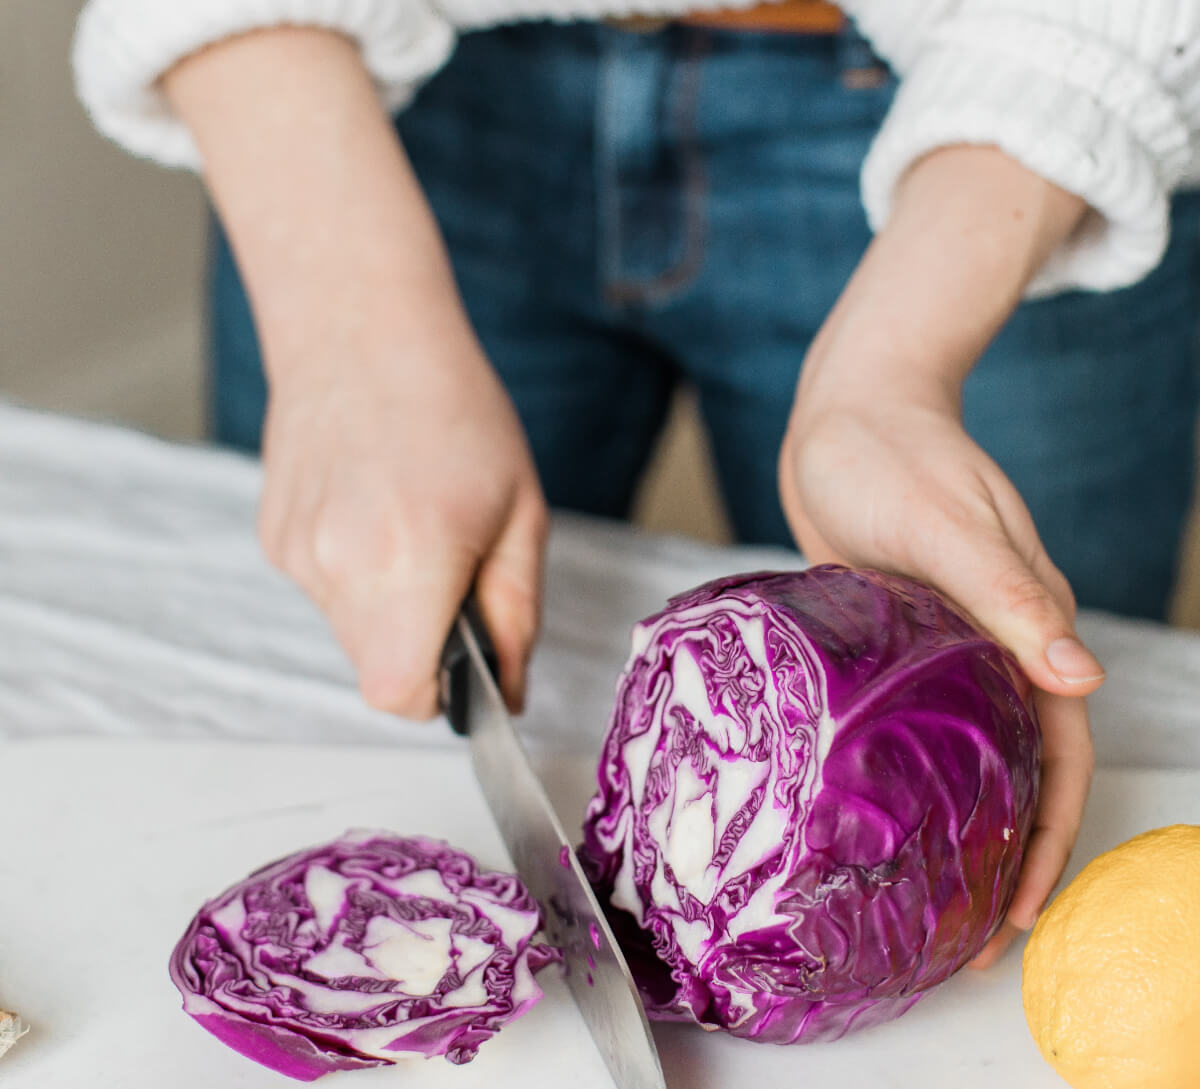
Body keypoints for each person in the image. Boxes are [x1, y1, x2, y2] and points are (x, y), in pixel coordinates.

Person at [73, 0, 1200, 966]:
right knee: (348, 677)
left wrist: (890, 379)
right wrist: (344, 327)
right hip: (359, 91)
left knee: (1012, 750)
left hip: (996, 100)